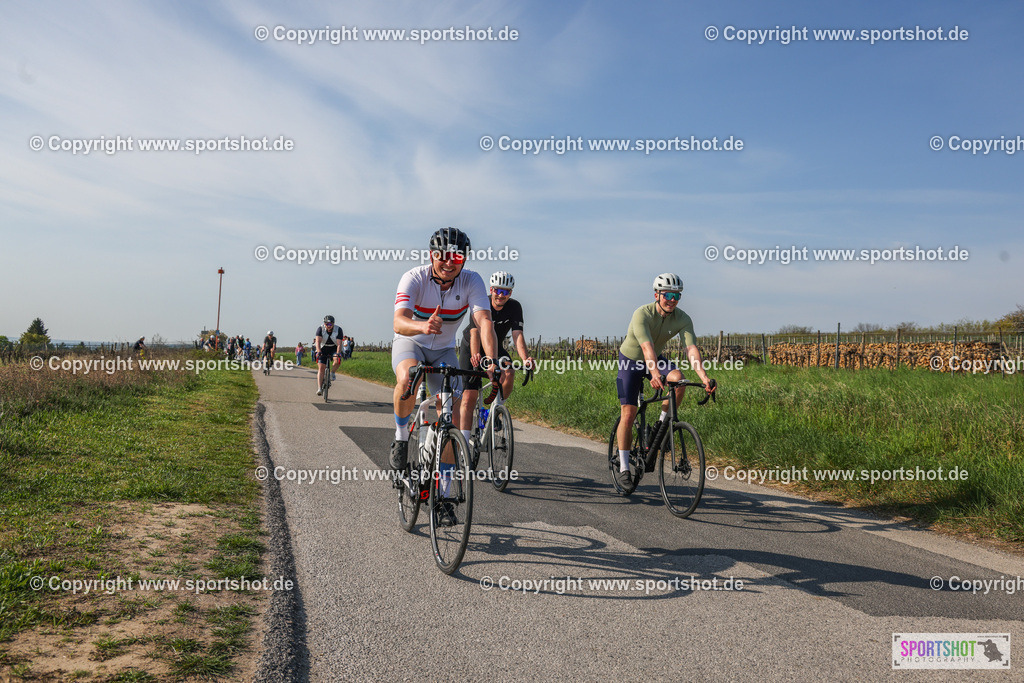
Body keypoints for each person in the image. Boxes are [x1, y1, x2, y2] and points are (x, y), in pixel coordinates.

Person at [390, 227, 497, 473]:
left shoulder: (472, 281)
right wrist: (422, 325)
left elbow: (484, 322)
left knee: (453, 412)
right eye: (442, 256)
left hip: (443, 350)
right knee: (407, 379)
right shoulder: (414, 277)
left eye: (456, 257)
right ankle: (401, 437)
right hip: (411, 343)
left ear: (464, 259)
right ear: (431, 256)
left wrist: (490, 359)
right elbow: (398, 321)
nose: (449, 263)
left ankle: (445, 493)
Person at [613, 273, 715, 494]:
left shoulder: (682, 318)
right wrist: (654, 373)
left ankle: (661, 426)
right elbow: (647, 347)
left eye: (677, 296)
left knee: (679, 379)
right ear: (656, 294)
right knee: (628, 414)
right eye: (668, 294)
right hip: (631, 362)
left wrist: (704, 377)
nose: (672, 300)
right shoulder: (642, 314)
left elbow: (691, 350)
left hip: (655, 361)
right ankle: (623, 467)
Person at [458, 271, 534, 437]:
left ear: (510, 293)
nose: (500, 295)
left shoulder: (515, 307)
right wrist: (475, 354)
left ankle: (495, 412)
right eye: (497, 290)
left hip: (495, 347)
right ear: (491, 290)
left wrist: (525, 358)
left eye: (505, 291)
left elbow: (517, 335)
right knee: (470, 396)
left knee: (509, 371)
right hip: (472, 345)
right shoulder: (481, 303)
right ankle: (463, 440)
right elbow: (474, 333)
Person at [315, 316, 344, 395]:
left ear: (333, 324)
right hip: (323, 348)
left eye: (330, 324)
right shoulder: (320, 329)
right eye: (327, 324)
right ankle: (319, 388)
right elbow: (317, 342)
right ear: (324, 324)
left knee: (337, 361)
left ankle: (332, 373)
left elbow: (339, 344)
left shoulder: (338, 330)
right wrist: (319, 351)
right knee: (321, 368)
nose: (329, 325)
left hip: (334, 348)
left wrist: (338, 354)